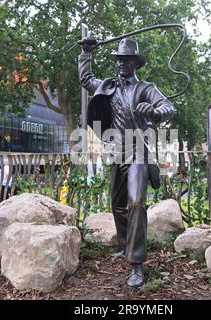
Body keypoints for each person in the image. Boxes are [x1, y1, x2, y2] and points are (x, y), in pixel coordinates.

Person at [78, 38, 175, 287]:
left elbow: (168, 106)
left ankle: (136, 265)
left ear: (135, 63)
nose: (122, 64)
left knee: (136, 203)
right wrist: (86, 52)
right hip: (116, 154)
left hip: (138, 153)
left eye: (127, 60)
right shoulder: (108, 86)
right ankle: (125, 246)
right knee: (117, 204)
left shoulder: (145, 88)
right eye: (119, 59)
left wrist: (154, 112)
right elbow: (86, 79)